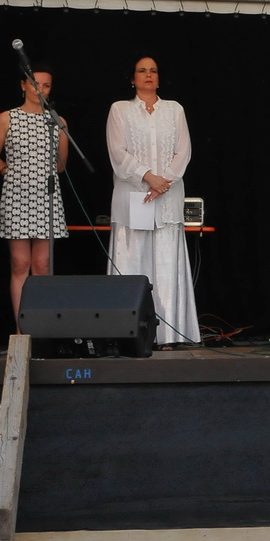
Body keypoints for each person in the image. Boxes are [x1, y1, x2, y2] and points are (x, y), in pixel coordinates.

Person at [106, 57, 198, 347]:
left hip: (167, 197)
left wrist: (163, 181)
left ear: (159, 78)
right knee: (132, 259)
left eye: (153, 71)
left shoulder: (174, 109)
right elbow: (118, 152)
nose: (148, 75)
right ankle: (128, 334)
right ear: (132, 78)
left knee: (166, 263)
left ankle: (169, 335)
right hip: (135, 196)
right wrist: (148, 177)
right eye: (142, 71)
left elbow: (183, 151)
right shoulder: (120, 109)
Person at [0, 69, 69, 329]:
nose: (39, 89)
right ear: (23, 85)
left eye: (46, 85)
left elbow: (62, 165)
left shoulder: (57, 120)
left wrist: (40, 171)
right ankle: (22, 330)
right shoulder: (7, 118)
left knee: (42, 264)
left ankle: (43, 327)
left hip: (46, 196)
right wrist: (8, 171)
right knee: (21, 263)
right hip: (17, 196)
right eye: (34, 84)